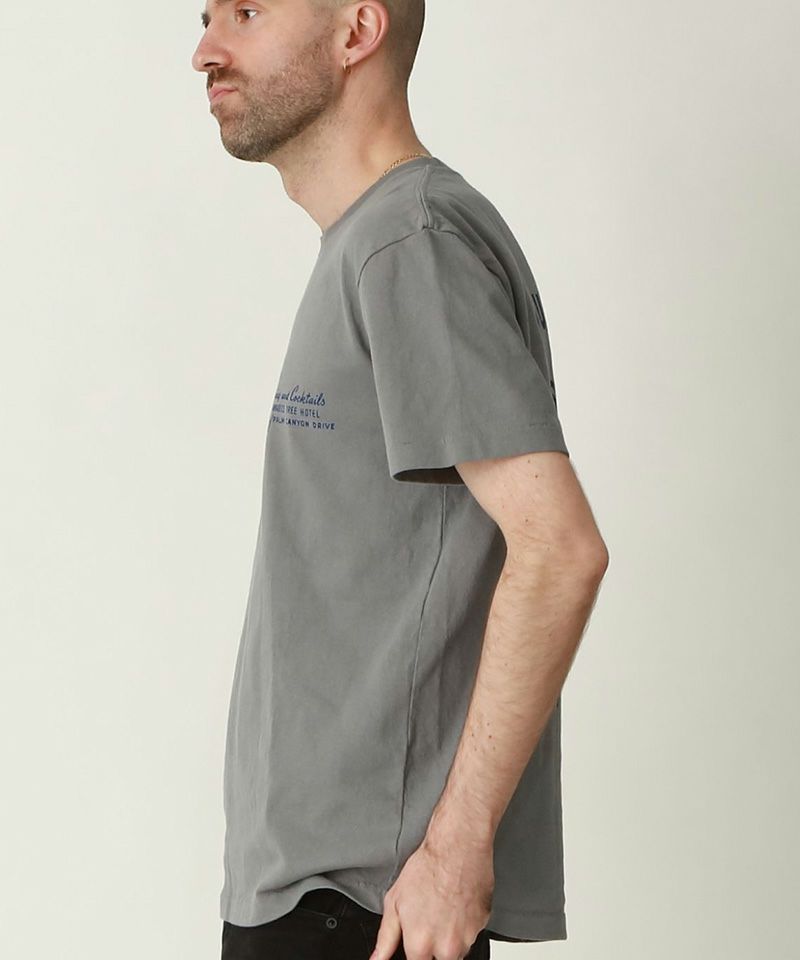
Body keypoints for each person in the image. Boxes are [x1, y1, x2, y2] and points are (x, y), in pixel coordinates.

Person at [191, 2, 609, 959]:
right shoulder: (372, 242)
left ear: (357, 32)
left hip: (371, 908)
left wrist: (457, 849)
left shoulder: (412, 242)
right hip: (324, 893)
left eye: (247, 12)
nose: (206, 49)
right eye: (207, 16)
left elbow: (559, 548)